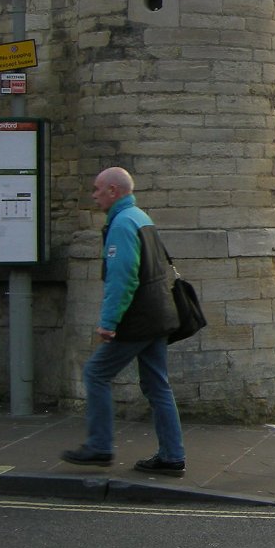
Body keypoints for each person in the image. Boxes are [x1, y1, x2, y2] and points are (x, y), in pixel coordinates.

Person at [61, 167, 187, 475]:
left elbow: (122, 278)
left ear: (113, 191)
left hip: (138, 318)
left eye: (97, 189)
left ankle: (100, 447)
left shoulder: (121, 224)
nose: (94, 195)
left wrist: (109, 322)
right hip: (158, 314)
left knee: (95, 373)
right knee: (158, 385)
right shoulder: (140, 217)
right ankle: (172, 456)